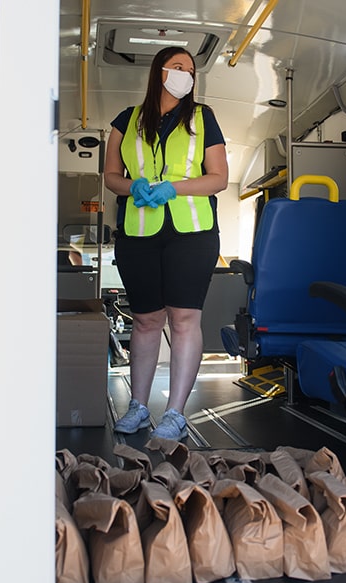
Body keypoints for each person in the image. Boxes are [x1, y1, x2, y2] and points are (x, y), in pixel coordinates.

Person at [103, 46, 228, 441]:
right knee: (145, 319)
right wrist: (131, 185)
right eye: (177, 67)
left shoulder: (203, 117)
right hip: (139, 231)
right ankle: (138, 407)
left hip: (192, 232)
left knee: (184, 318)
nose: (185, 75)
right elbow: (111, 175)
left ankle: (175, 412)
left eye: (190, 70)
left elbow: (219, 177)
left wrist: (174, 187)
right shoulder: (127, 120)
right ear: (159, 71)